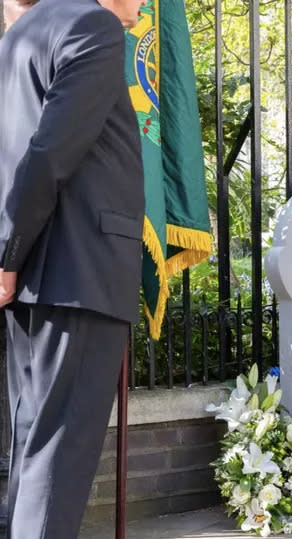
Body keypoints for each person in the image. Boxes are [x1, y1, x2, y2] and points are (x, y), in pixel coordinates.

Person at [0, 0, 146, 537]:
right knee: (59, 456)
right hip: (81, 268)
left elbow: (19, 152)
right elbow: (50, 152)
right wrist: (7, 253)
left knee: (33, 448)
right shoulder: (93, 24)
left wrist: (10, 255)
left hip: (38, 267)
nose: (145, 3)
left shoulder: (22, 31)